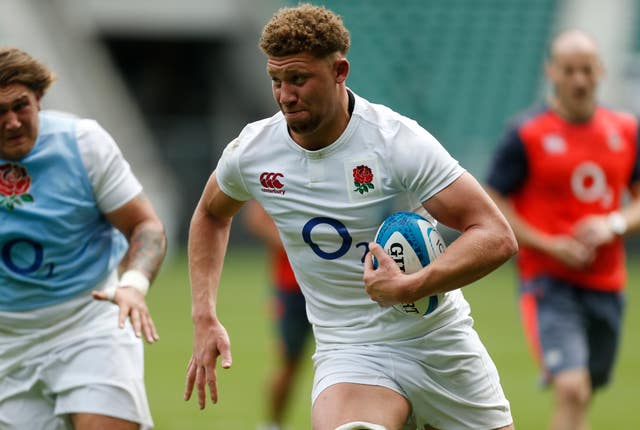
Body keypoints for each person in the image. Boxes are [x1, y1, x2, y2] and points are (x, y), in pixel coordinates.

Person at [184, 4, 518, 430]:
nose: (286, 95)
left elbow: (495, 234)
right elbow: (211, 214)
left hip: (438, 340)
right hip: (351, 350)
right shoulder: (253, 152)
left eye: (299, 79)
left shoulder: (395, 141)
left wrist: (408, 287)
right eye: (276, 80)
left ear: (340, 71)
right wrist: (204, 315)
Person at [0, 47, 167, 430]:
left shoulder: (83, 143)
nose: (11, 122)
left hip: (87, 322)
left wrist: (133, 285)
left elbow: (147, 227)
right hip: (6, 341)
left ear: (39, 99)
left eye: (20, 106)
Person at [485, 29, 640, 430]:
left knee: (584, 391)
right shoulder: (526, 133)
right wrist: (550, 245)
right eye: (569, 71)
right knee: (572, 387)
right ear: (551, 71)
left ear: (600, 70)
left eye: (586, 70)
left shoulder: (625, 130)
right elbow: (492, 202)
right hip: (548, 282)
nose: (579, 80)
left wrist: (613, 223)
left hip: (607, 283)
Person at [244, 199, 312, 430]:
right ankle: (272, 424)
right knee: (288, 361)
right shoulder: (277, 171)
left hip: (336, 284)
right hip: (291, 286)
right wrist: (298, 244)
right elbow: (256, 220)